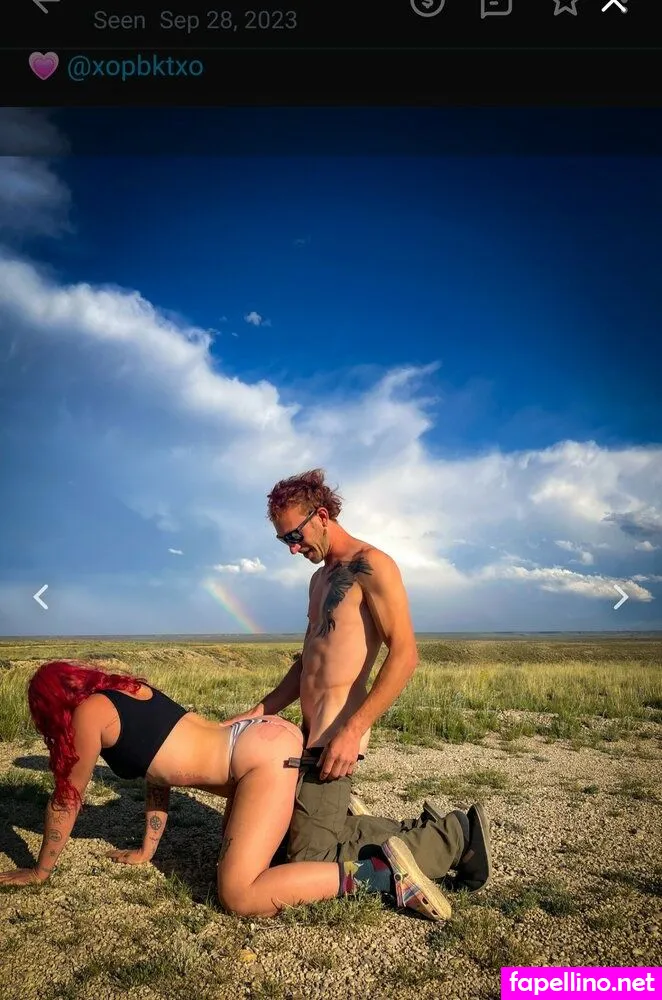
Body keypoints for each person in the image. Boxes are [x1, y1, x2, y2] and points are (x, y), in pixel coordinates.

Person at [0, 659, 475, 921]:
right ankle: (423, 831)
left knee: (240, 894)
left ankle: (378, 875)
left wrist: (40, 870)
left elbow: (67, 796)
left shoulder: (88, 715)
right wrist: (147, 849)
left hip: (257, 761)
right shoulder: (128, 693)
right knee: (285, 853)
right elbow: (158, 774)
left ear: (53, 705)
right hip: (260, 742)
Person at [222, 469, 491, 899]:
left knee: (307, 859)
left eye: (295, 535)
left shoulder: (373, 565)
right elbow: (308, 662)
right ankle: (414, 829)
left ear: (321, 516)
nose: (292, 548)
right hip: (307, 734)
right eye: (282, 540)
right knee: (278, 843)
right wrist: (260, 711)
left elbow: (405, 654)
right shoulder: (318, 579)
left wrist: (352, 732)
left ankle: (453, 839)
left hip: (337, 733)